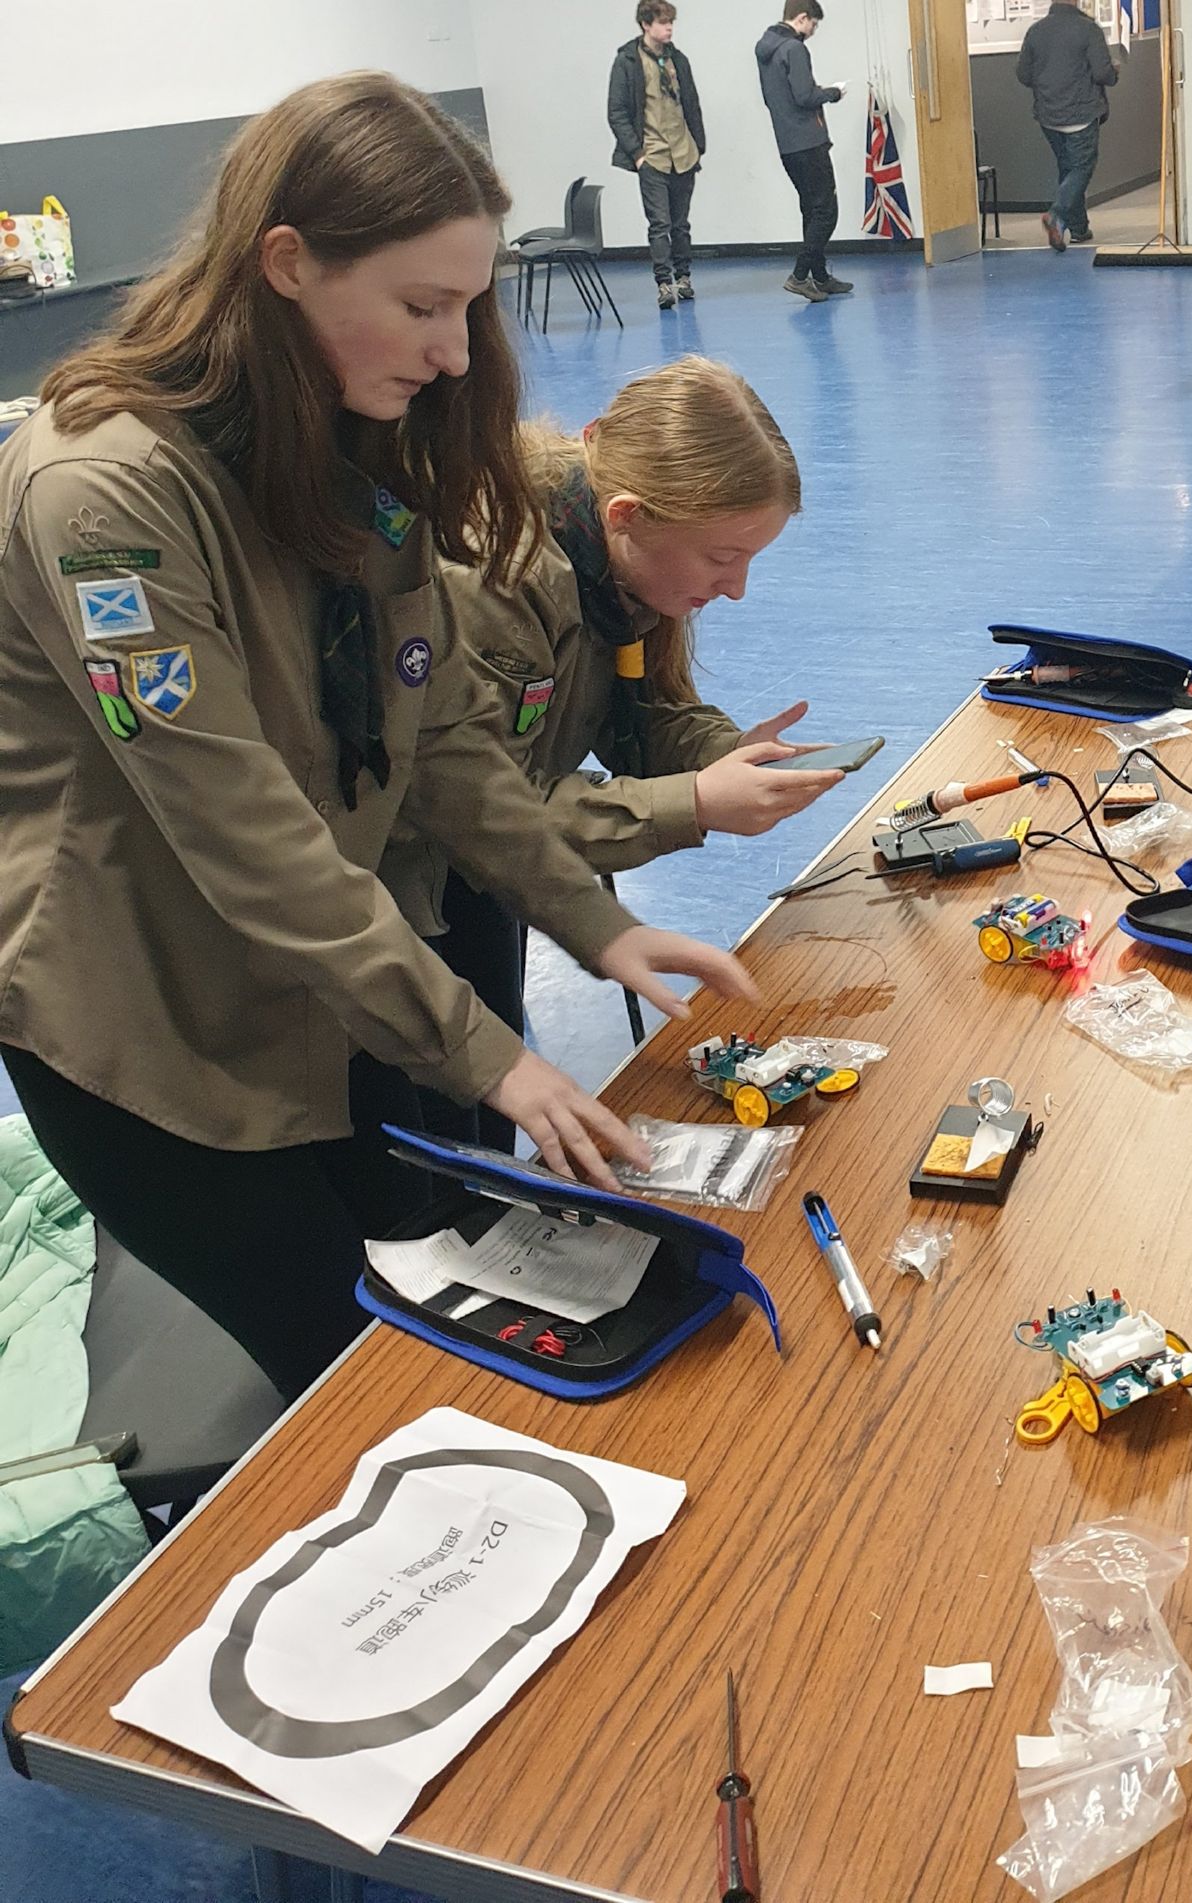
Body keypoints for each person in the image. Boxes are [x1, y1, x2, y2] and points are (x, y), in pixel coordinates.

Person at [0, 75, 754, 1398]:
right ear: (285, 264)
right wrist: (487, 1050)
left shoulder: (351, 441)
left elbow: (441, 737)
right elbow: (247, 837)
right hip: (148, 1026)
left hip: (314, 994)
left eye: (468, 303)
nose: (459, 351)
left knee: (465, 1301)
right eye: (423, 304)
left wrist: (595, 920)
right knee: (356, 1370)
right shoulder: (103, 493)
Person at [382, 356, 846, 1149]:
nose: (735, 589)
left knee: (481, 1126)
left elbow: (643, 709)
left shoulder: (624, 567)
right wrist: (694, 802)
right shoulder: (499, 579)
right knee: (431, 1137)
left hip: (489, 886)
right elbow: (497, 808)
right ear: (628, 515)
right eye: (723, 557)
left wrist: (725, 753)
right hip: (409, 891)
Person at [608, 0, 709, 312]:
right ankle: (663, 283)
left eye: (671, 23)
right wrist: (637, 154)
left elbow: (692, 103)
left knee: (681, 224)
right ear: (645, 25)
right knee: (659, 223)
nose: (669, 28)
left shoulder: (678, 59)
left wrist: (699, 145)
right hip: (652, 154)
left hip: (683, 152)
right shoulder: (627, 61)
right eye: (663, 22)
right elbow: (617, 112)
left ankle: (684, 277)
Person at [756, 0, 852, 303]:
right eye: (813, 24)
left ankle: (819, 276)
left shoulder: (766, 50)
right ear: (802, 18)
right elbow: (805, 95)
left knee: (811, 209)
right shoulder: (794, 49)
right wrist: (833, 92)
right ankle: (800, 276)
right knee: (826, 211)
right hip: (809, 142)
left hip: (788, 144)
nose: (813, 31)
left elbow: (779, 98)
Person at [1015, 0, 1120, 251]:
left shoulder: (1036, 31)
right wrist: (1115, 71)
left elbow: (1023, 74)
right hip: (1082, 112)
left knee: (1068, 169)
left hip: (1048, 115)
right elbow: (1102, 73)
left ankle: (1079, 228)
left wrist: (1047, 86)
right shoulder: (1088, 29)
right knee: (1082, 167)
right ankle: (1056, 214)